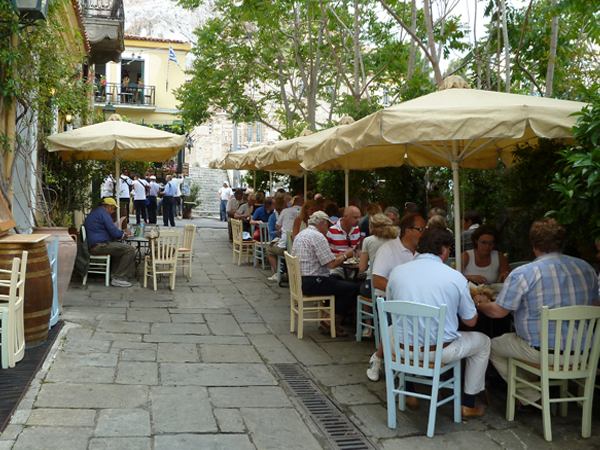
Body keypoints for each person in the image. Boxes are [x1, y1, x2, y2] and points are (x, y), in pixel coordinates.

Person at [477, 218, 599, 405]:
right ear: (562, 243)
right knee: (519, 344)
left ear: (534, 246)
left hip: (543, 352)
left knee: (493, 345)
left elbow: (498, 312)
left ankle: (532, 396)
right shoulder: (586, 268)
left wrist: (481, 304)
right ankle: (534, 392)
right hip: (583, 351)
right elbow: (595, 307)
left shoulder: (525, 273)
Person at [385, 227, 490, 416]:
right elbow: (470, 322)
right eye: (448, 249)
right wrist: (475, 304)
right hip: (438, 352)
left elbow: (392, 306)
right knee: (483, 342)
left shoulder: (397, 272)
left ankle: (409, 391)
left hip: (402, 349)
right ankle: (469, 403)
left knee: (395, 328)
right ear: (443, 249)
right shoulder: (455, 277)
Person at [367, 213, 425, 381]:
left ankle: (413, 361)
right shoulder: (388, 249)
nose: (424, 233)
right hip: (389, 300)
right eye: (421, 229)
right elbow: (377, 281)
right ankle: (380, 358)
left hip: (417, 301)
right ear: (408, 231)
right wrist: (404, 291)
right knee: (400, 322)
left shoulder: (424, 251)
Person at [292, 211, 359, 337]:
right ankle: (331, 321)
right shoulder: (318, 237)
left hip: (301, 281)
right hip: (312, 282)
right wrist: (346, 255)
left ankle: (326, 317)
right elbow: (332, 265)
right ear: (322, 223)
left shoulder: (302, 234)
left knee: (337, 278)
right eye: (327, 226)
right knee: (352, 288)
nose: (328, 229)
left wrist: (338, 256)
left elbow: (322, 258)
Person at [357, 214, 399, 337]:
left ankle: (368, 326)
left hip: (374, 284)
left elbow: (362, 268)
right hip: (394, 284)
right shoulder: (396, 240)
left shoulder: (368, 240)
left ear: (372, 227)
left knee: (362, 289)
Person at [84, 198, 135, 288]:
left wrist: (121, 234)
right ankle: (118, 278)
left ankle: (114, 273)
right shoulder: (103, 214)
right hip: (99, 246)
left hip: (95, 244)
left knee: (119, 247)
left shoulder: (96, 212)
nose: (113, 211)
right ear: (110, 207)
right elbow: (114, 232)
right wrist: (124, 234)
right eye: (113, 209)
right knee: (129, 249)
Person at [266, 195, 304, 281]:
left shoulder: (285, 211)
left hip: (286, 247)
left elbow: (277, 226)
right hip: (302, 247)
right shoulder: (306, 213)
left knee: (269, 249)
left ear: (293, 203)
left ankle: (277, 273)